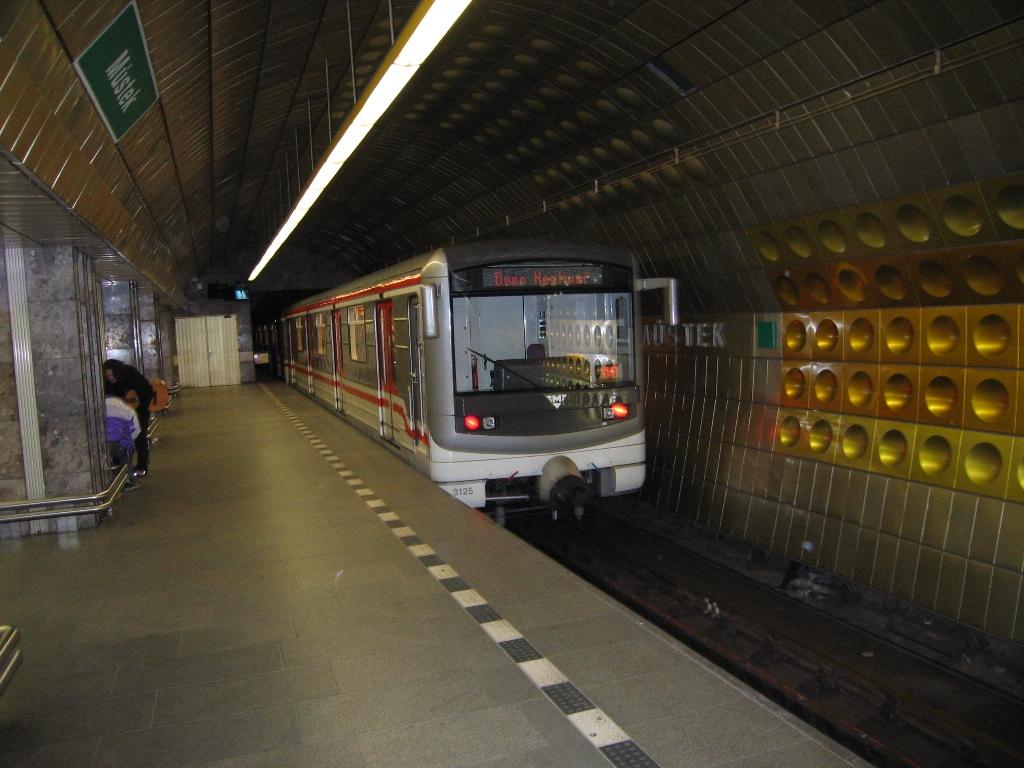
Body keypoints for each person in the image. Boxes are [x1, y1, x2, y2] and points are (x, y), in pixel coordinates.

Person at [102, 359, 154, 477]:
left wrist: (138, 407)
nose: (110, 378)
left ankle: (142, 466)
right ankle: (119, 467)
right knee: (118, 438)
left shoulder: (130, 373)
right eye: (107, 375)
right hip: (120, 414)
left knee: (140, 437)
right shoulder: (107, 383)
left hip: (140, 410)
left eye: (112, 375)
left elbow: (147, 391)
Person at [105, 394, 140, 485]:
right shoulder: (126, 408)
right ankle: (129, 481)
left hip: (101, 446)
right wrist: (129, 440)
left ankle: (108, 482)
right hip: (119, 444)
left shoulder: (97, 406)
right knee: (126, 453)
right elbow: (136, 429)